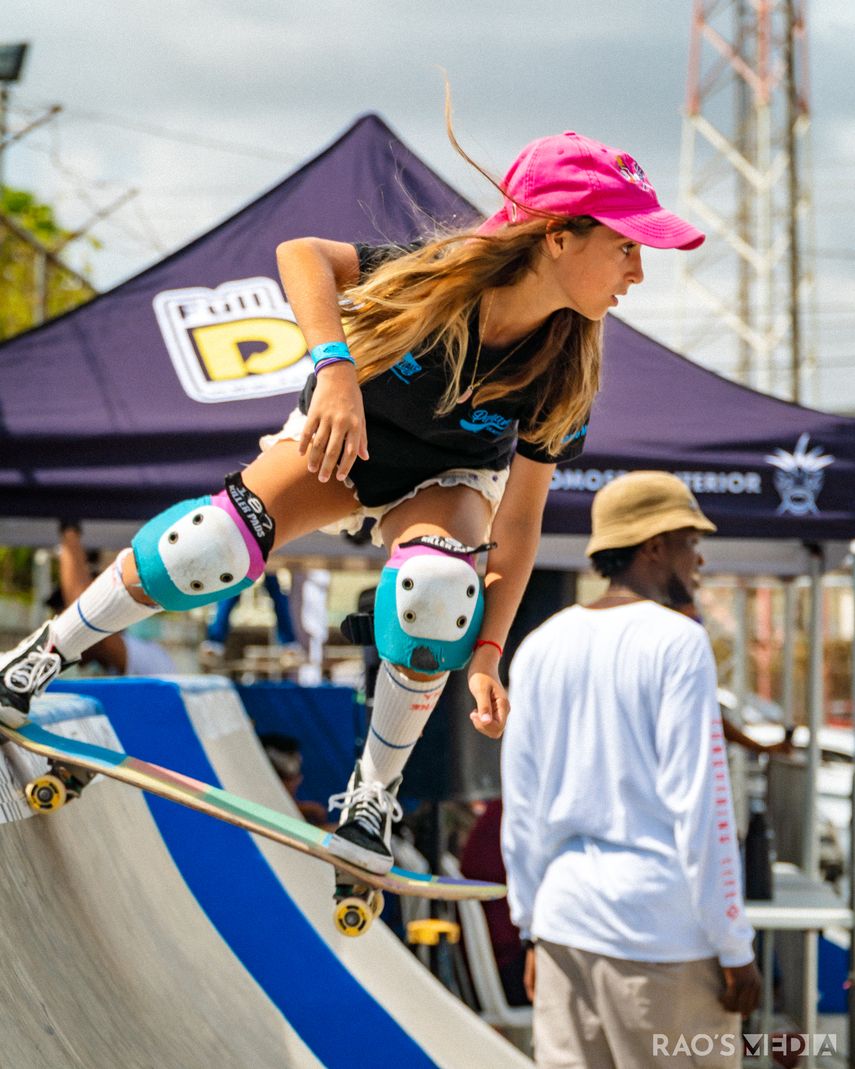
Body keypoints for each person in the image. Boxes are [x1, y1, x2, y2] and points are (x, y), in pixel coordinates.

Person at [0, 119, 705, 878]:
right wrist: (332, 370)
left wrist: (489, 653)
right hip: (347, 442)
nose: (636, 271)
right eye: (626, 245)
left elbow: (522, 521)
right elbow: (302, 255)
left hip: (450, 483)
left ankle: (371, 795)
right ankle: (37, 657)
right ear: (557, 236)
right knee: (203, 546)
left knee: (436, 593)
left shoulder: (566, 367)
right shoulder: (441, 276)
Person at [502, 471, 762, 1068]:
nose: (699, 558)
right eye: (689, 540)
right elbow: (701, 804)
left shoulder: (541, 643)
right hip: (660, 937)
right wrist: (734, 946)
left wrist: (531, 925)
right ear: (653, 546)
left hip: (565, 923)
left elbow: (522, 805)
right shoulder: (678, 641)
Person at [47, 522, 176, 677]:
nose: (60, 630)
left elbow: (87, 623)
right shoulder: (89, 668)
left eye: (64, 618)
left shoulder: (151, 658)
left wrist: (69, 531)